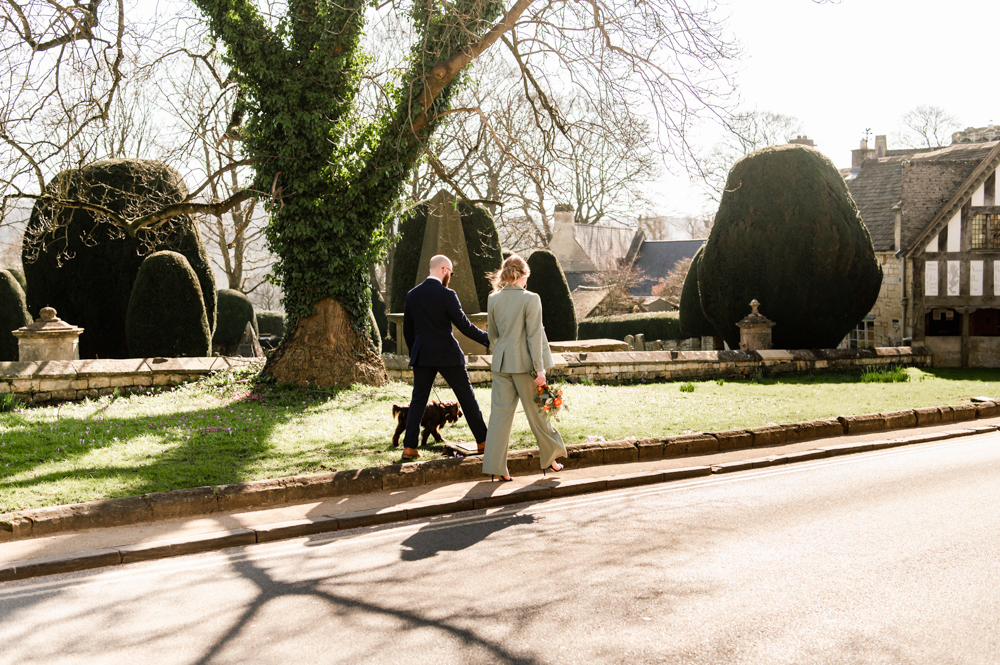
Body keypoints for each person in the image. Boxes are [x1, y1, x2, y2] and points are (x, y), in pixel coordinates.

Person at [481, 254, 567, 481]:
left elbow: (493, 336)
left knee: (499, 416)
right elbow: (534, 336)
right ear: (523, 275)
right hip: (526, 366)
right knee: (539, 413)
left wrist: (503, 353)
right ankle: (551, 460)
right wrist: (540, 370)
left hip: (500, 364)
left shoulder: (493, 299)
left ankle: (495, 468)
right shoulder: (531, 298)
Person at [401, 254, 490, 461]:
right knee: (466, 397)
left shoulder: (412, 295)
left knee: (418, 400)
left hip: (422, 354)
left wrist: (415, 351)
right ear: (443, 270)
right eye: (450, 272)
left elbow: (408, 330)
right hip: (448, 354)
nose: (450, 276)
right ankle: (483, 441)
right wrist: (487, 339)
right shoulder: (447, 295)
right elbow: (464, 326)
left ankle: (409, 447)